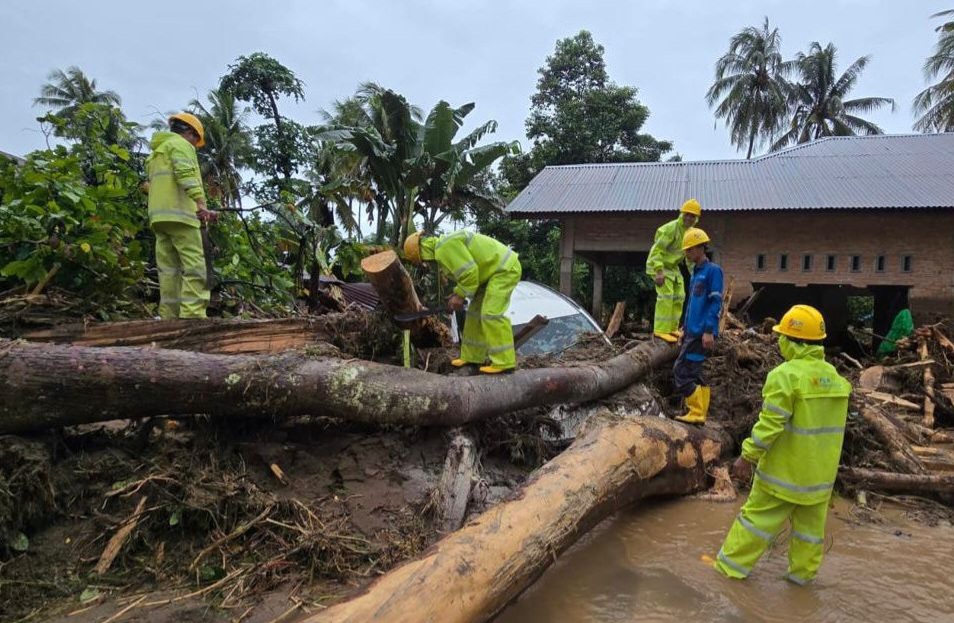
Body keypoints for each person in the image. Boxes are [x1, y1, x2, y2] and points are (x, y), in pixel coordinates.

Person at [713, 304, 851, 585]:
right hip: (819, 481)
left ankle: (727, 575)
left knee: (753, 525)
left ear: (791, 340)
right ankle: (800, 587)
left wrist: (746, 457)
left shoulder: (785, 376)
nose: (779, 342)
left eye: (782, 337)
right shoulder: (837, 381)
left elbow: (770, 426)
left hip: (782, 477)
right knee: (809, 537)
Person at [404, 230, 521, 374]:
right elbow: (468, 273)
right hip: (488, 275)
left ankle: (505, 362)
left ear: (421, 253)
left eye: (423, 260)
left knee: (491, 313)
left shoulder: (444, 248)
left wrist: (459, 296)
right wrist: (457, 293)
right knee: (473, 315)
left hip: (504, 270)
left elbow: (469, 273)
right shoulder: (443, 247)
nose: (426, 264)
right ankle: (472, 357)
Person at [145, 112, 217, 319]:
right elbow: (186, 174)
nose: (195, 145)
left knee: (168, 271)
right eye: (196, 140)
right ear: (189, 133)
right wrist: (201, 204)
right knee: (194, 267)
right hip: (181, 216)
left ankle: (169, 317)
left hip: (159, 218)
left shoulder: (157, 153)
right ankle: (192, 316)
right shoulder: (180, 145)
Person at [673, 227, 723, 425]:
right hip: (692, 331)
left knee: (681, 371)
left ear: (702, 247)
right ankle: (701, 413)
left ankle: (696, 411)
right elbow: (692, 305)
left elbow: (715, 302)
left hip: (702, 332)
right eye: (686, 250)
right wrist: (684, 328)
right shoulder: (695, 273)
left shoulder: (713, 271)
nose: (687, 253)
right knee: (695, 372)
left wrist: (709, 330)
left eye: (690, 249)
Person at [646, 199, 701, 343]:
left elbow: (688, 258)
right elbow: (657, 250)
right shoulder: (671, 229)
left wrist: (695, 274)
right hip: (658, 264)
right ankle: (660, 330)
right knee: (666, 295)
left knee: (680, 295)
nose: (689, 218)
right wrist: (658, 271)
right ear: (682, 214)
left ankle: (672, 328)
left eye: (693, 216)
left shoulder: (689, 233)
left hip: (672, 267)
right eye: (687, 214)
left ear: (696, 219)